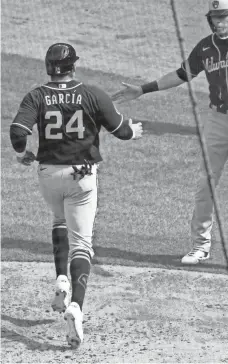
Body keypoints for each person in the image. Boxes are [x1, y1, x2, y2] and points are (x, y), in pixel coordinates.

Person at [112, 0, 228, 277]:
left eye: (222, 17)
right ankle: (200, 245)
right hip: (217, 120)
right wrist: (143, 90)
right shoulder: (206, 47)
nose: (217, 22)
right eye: (213, 17)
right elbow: (182, 74)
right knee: (206, 183)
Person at [10, 43, 143, 348]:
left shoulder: (37, 95)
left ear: (47, 66)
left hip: (48, 176)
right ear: (73, 66)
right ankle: (76, 308)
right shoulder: (92, 93)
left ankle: (61, 279)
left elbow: (18, 133)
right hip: (81, 177)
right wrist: (133, 131)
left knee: (59, 218)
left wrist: (23, 153)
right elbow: (121, 130)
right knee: (82, 243)